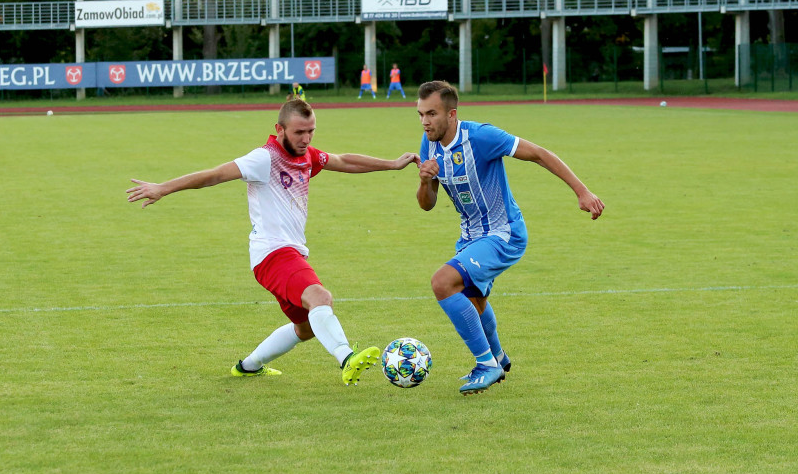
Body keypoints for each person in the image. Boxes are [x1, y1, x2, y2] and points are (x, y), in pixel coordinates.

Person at [127, 99, 420, 385]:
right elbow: (214, 174)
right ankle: (346, 358)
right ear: (279, 130)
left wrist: (392, 164)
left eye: (311, 131)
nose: (306, 139)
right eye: (299, 132)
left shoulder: (306, 155)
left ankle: (248, 367)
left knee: (305, 328)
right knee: (320, 297)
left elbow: (343, 160)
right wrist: (163, 188)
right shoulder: (264, 158)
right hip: (275, 253)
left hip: (282, 256)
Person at [414, 81, 604, 394]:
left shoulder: (481, 136)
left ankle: (485, 363)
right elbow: (427, 204)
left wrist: (582, 192)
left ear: (452, 114)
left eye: (431, 114)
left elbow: (539, 154)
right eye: (421, 114)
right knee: (473, 302)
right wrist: (425, 181)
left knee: (443, 282)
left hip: (504, 233)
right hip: (471, 238)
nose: (425, 121)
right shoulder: (429, 145)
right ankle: (499, 359)